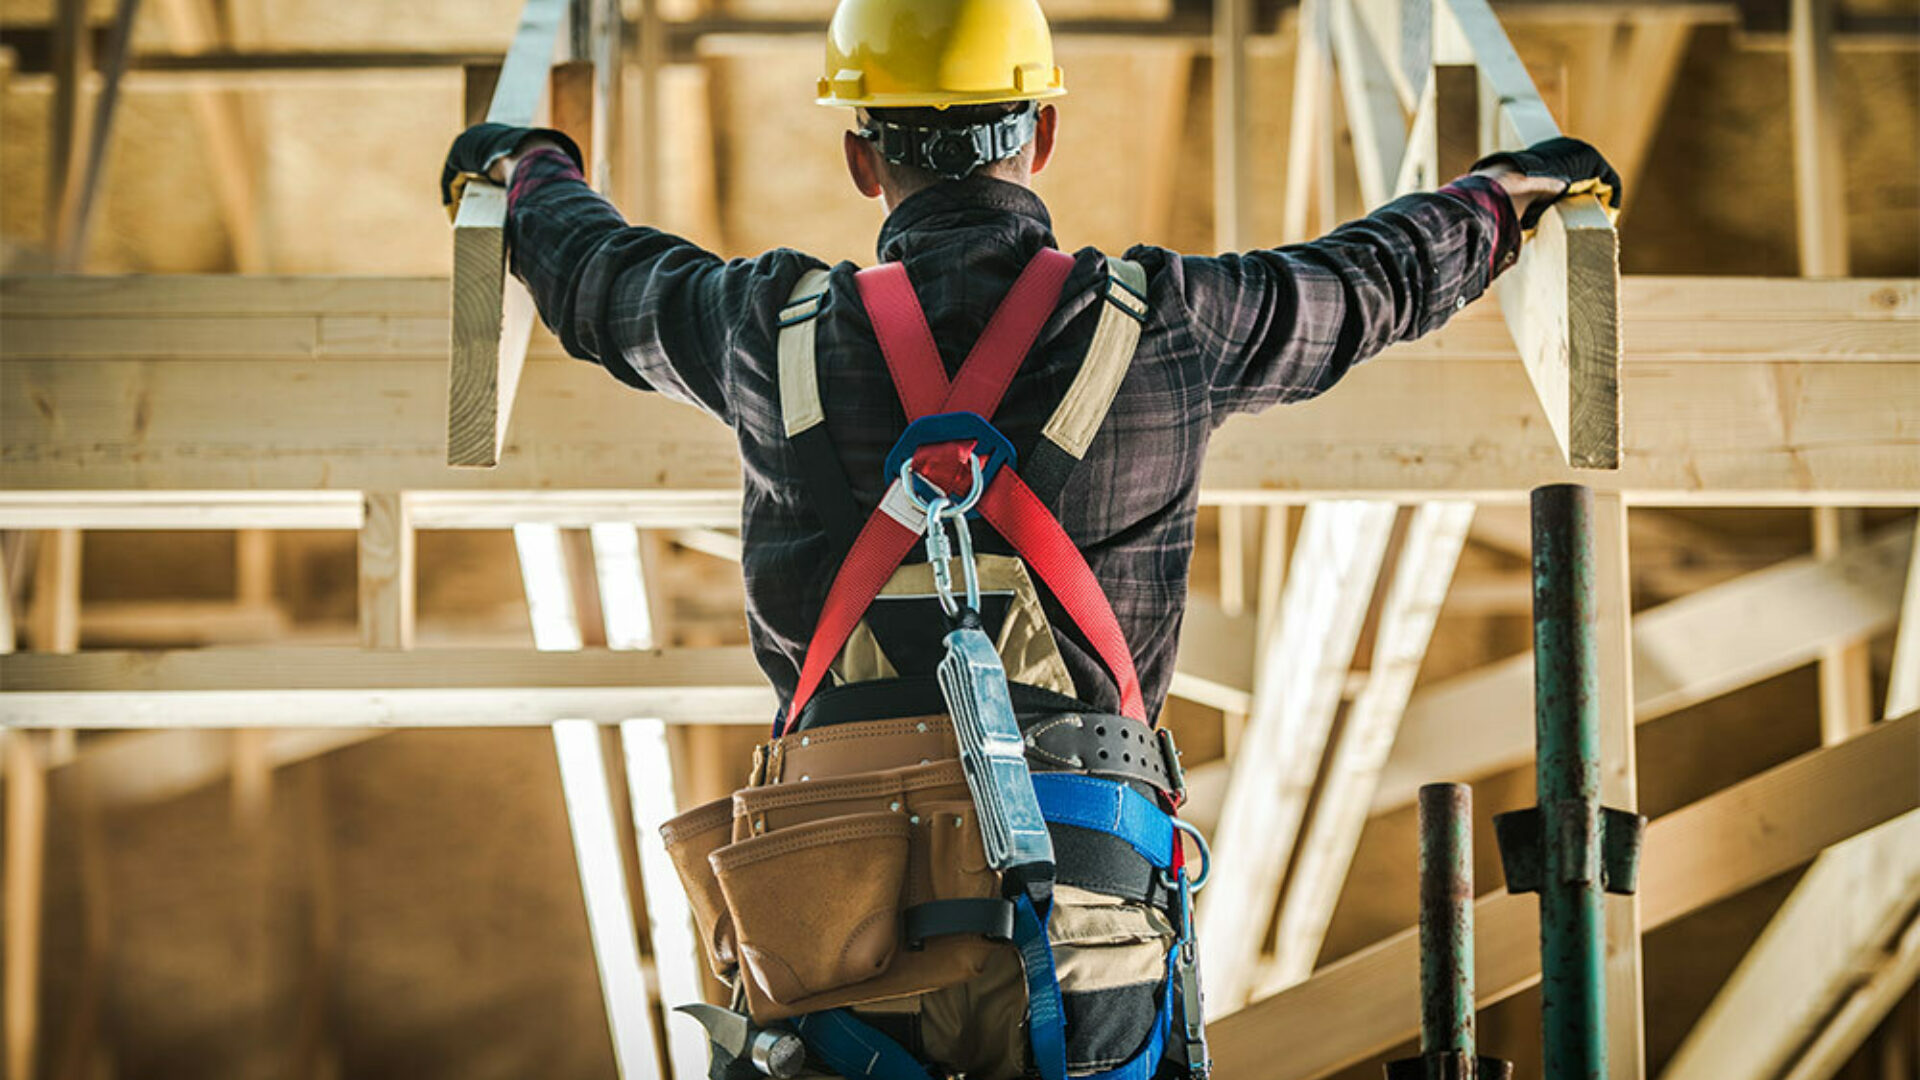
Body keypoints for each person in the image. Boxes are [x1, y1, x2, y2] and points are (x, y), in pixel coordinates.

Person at [442, 1, 1619, 1076]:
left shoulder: (769, 330)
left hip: (831, 931)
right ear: (1042, 134)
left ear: (862, 154)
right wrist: (1500, 198)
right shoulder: (1169, 327)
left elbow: (603, 284)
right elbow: (1368, 283)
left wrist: (530, 169)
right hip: (1087, 911)